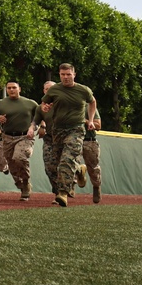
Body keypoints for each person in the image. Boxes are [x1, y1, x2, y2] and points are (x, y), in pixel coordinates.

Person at [39, 63, 96, 207]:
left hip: (76, 129)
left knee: (66, 159)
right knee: (57, 164)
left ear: (74, 74)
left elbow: (92, 102)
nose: (65, 77)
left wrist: (90, 120)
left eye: (68, 74)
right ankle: (78, 170)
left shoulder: (83, 90)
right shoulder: (54, 90)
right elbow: (43, 104)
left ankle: (63, 193)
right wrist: (45, 107)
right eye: (62, 74)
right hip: (57, 131)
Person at [0, 80, 38, 201]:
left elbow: (40, 116)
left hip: (24, 136)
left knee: (19, 157)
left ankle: (26, 182)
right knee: (11, 164)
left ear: (19, 89)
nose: (11, 90)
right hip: (7, 137)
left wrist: (36, 127)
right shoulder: (0, 104)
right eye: (9, 88)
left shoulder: (30, 103)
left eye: (14, 87)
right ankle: (21, 185)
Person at [79, 108, 103, 203]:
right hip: (74, 140)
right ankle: (68, 190)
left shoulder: (89, 108)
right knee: (70, 163)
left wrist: (85, 121)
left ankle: (96, 187)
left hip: (89, 141)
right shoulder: (69, 105)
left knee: (93, 168)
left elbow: (98, 125)